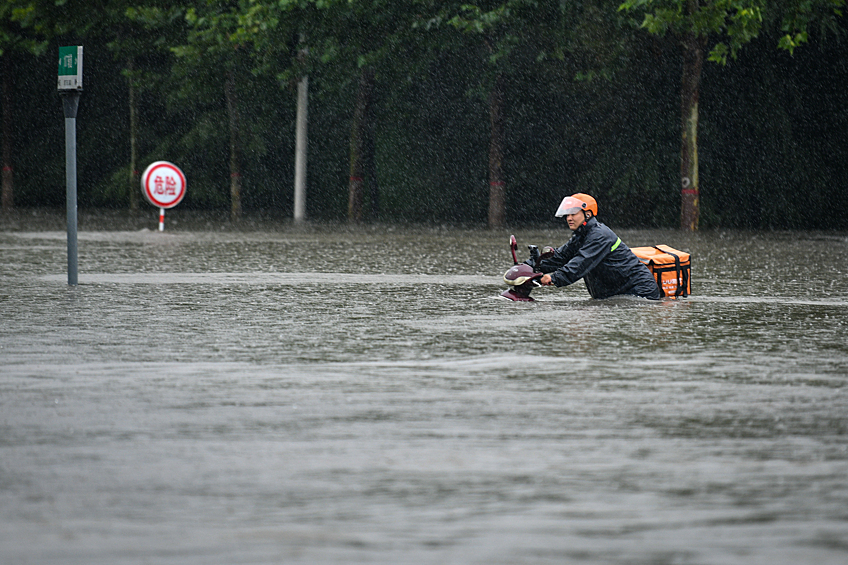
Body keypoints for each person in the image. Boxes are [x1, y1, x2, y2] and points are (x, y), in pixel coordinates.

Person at [533, 193, 661, 300]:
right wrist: (529, 267)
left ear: (587, 214)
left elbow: (581, 264)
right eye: (567, 214)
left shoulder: (600, 236)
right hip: (615, 294)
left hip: (640, 293)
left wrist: (553, 278)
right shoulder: (581, 235)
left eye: (573, 214)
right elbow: (560, 257)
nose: (569, 218)